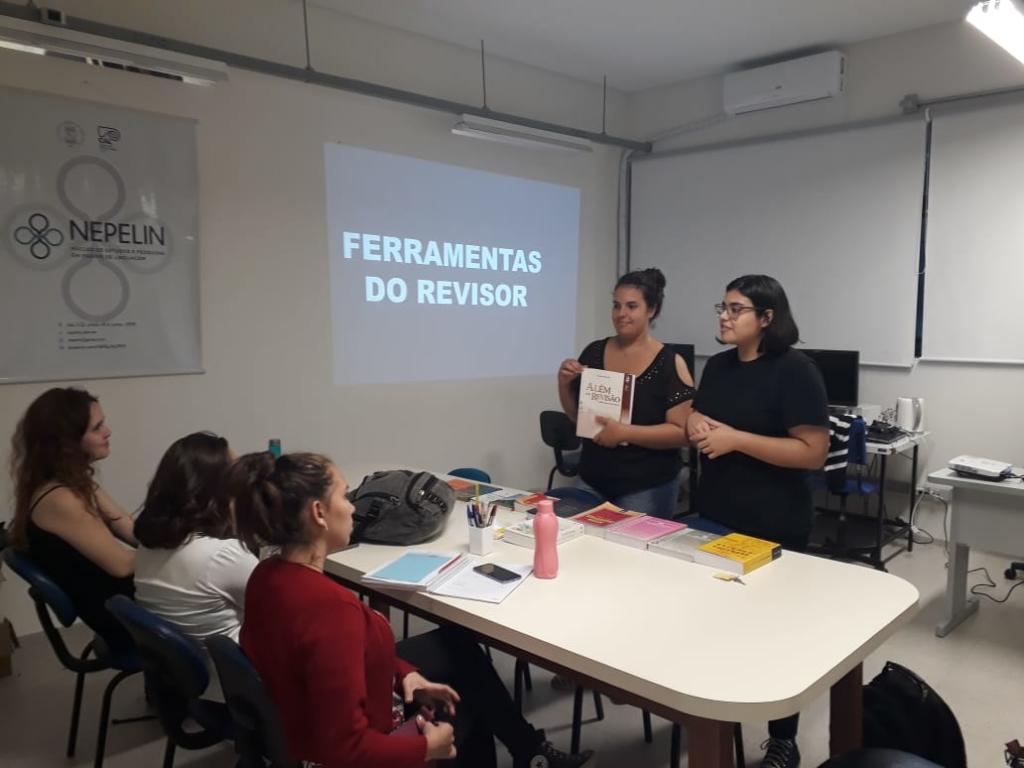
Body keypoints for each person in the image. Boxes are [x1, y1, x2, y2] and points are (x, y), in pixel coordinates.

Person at [229, 450, 594, 768]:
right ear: (319, 513)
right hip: (333, 752)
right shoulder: (332, 611)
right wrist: (425, 747)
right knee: (466, 714)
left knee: (457, 644)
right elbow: (345, 748)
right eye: (345, 496)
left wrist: (402, 673)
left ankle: (530, 754)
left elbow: (328, 659)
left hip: (297, 723)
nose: (354, 506)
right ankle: (528, 753)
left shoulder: (267, 575)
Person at [688, 274, 830, 768]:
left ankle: (783, 739)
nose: (723, 317)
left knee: (774, 636)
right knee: (716, 625)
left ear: (766, 319)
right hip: (716, 517)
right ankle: (714, 716)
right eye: (721, 307)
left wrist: (737, 439)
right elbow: (698, 417)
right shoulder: (720, 367)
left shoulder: (795, 371)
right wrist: (695, 424)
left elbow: (813, 453)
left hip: (775, 521)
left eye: (736, 309)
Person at [557, 267, 695, 518]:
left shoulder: (669, 363)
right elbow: (579, 419)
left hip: (646, 486)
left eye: (631, 306)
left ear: (651, 310)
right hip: (592, 479)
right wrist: (563, 383)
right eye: (616, 306)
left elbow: (681, 433)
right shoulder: (594, 352)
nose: (621, 314)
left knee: (634, 555)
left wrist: (625, 432)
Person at [9, 387, 136, 655]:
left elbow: (127, 527)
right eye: (97, 427)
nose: (108, 432)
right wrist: (180, 546)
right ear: (67, 442)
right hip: (120, 618)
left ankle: (172, 687)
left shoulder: (73, 482)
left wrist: (179, 533)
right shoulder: (61, 500)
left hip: (119, 603)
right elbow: (122, 565)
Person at [133, 432, 257, 643]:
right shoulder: (224, 556)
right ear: (219, 490)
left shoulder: (149, 545)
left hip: (183, 668)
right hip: (238, 670)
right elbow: (283, 615)